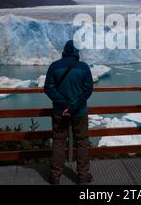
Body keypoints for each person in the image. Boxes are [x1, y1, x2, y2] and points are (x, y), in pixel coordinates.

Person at [44, 40, 94, 185]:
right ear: (77, 52)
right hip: (79, 112)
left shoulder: (54, 66)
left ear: (64, 51)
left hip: (60, 111)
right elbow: (88, 90)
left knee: (59, 141)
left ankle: (55, 176)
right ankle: (83, 176)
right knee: (82, 142)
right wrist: (73, 106)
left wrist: (64, 104)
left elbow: (49, 87)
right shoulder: (83, 67)